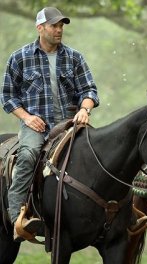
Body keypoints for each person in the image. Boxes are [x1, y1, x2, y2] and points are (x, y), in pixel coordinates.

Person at [0, 6, 99, 241]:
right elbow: (8, 96)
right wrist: (26, 117)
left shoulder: (74, 57)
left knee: (96, 154)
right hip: (36, 125)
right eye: (54, 25)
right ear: (40, 28)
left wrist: (85, 109)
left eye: (61, 26)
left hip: (69, 124)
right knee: (28, 155)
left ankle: (103, 214)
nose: (59, 30)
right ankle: (17, 217)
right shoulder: (19, 57)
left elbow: (89, 90)